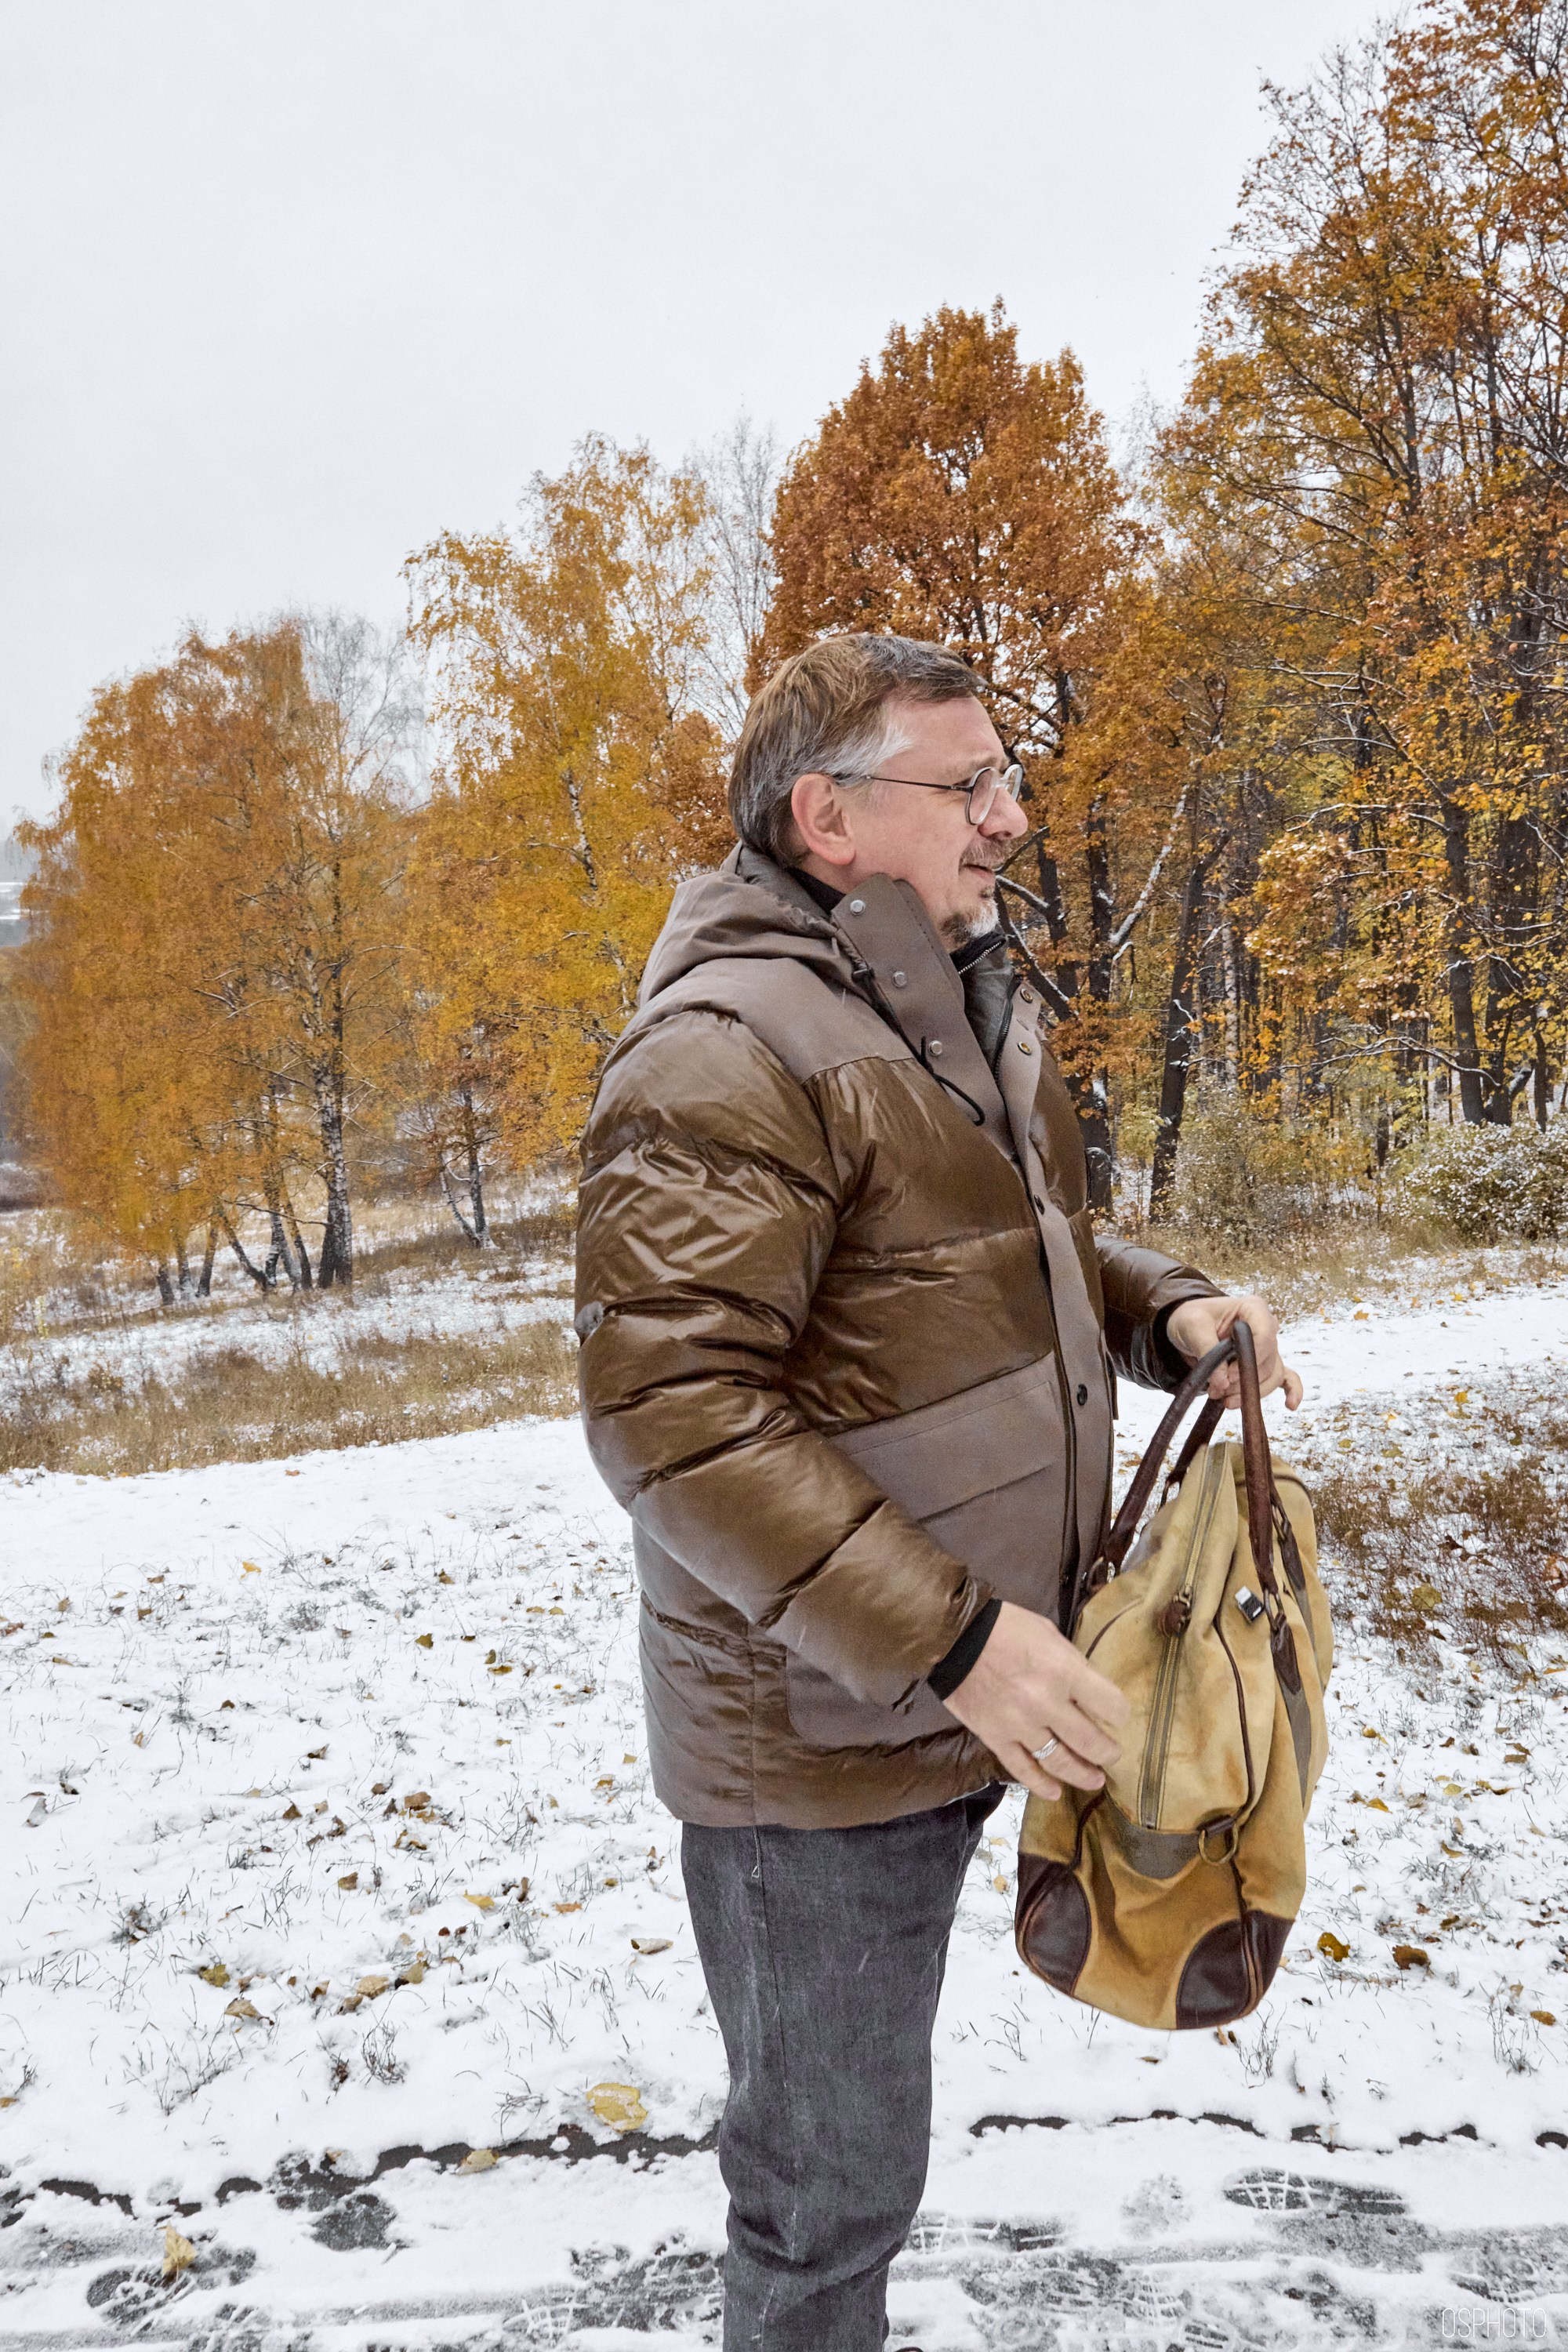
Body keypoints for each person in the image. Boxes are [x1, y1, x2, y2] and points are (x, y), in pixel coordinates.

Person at [574, 633, 1301, 2352]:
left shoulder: (956, 996)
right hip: (825, 1737)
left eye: (1005, 778)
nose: (1012, 817)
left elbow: (1010, 1254)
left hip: (987, 1673)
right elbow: (666, 1410)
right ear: (829, 818)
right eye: (967, 786)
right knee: (826, 2196)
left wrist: (1164, 1307)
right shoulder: (721, 1051)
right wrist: (955, 1644)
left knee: (863, 2170)